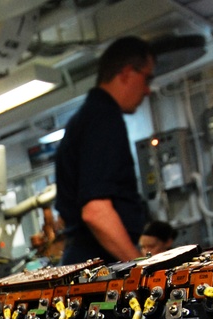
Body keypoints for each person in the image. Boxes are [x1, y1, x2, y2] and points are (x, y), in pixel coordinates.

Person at [55, 36, 155, 265]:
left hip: (90, 261)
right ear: (127, 73)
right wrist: (142, 270)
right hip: (98, 264)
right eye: (147, 78)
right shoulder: (103, 118)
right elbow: (96, 211)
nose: (148, 90)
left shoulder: (86, 117)